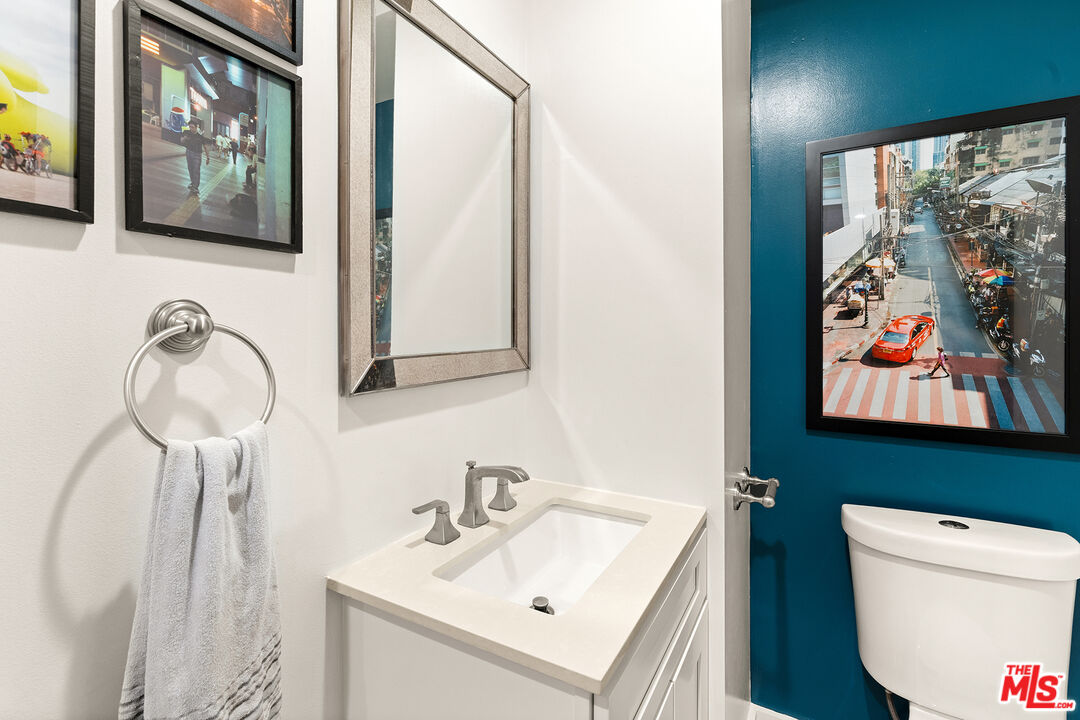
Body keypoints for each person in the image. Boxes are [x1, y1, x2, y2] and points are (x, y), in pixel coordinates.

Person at [180, 115, 211, 195]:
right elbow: (181, 141)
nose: (191, 129)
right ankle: (193, 183)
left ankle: (195, 187)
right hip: (188, 152)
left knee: (196, 170)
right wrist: (184, 139)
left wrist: (208, 158)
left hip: (197, 155)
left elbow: (205, 147)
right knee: (190, 169)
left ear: (197, 127)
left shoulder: (200, 137)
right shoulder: (186, 132)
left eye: (192, 127)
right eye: (190, 127)